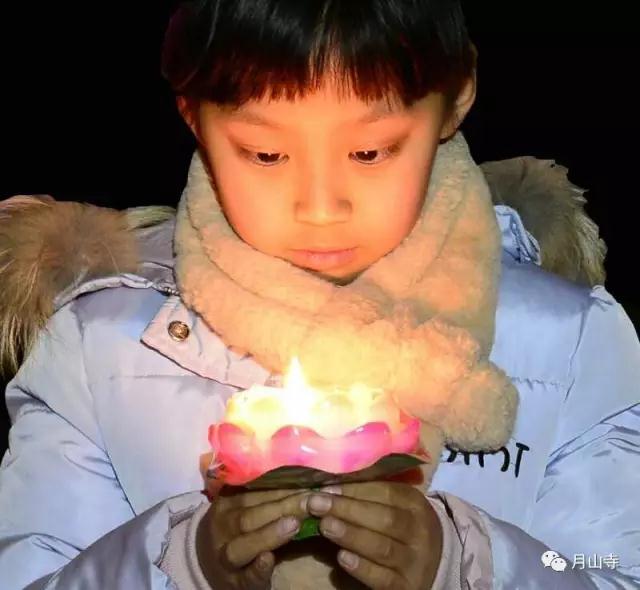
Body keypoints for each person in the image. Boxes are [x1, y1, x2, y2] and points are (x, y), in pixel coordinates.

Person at [1, 1, 638, 588]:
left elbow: (607, 569)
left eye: (370, 151)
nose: (321, 208)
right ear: (192, 113)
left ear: (455, 99)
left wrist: (463, 561)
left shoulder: (571, 346)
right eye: (265, 154)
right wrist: (186, 562)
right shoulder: (99, 348)